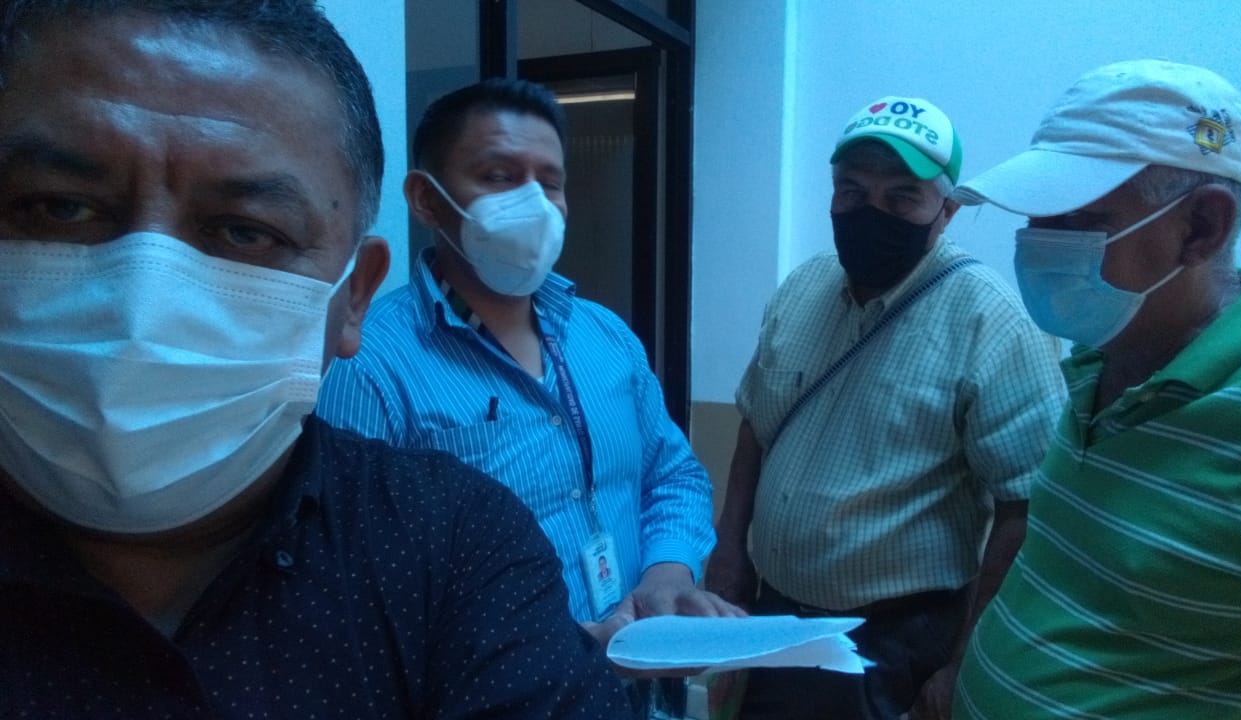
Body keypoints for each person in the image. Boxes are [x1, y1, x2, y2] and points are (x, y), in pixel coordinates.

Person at [0, 2, 633, 717]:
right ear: (426, 200)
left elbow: (669, 467)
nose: (142, 300)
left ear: (353, 295)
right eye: (61, 208)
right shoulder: (386, 370)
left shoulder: (455, 540)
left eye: (245, 230)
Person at [316, 77, 742, 714]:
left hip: (639, 699)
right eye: (499, 176)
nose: (534, 202)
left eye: (550, 182)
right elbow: (355, 589)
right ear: (426, 199)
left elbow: (671, 474)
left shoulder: (605, 337)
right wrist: (559, 650)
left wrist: (667, 574)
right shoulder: (370, 366)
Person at [704, 95, 1066, 720]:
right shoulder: (803, 287)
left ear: (946, 212)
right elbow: (755, 428)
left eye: (902, 197)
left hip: (897, 641)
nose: (871, 212)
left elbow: (1025, 510)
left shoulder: (993, 322)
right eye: (852, 190)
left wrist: (966, 661)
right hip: (773, 614)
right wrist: (729, 548)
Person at [950, 59, 1241, 718]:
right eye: (1038, 218)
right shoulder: (1097, 357)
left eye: (1077, 221)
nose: (1039, 247)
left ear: (1202, 227)